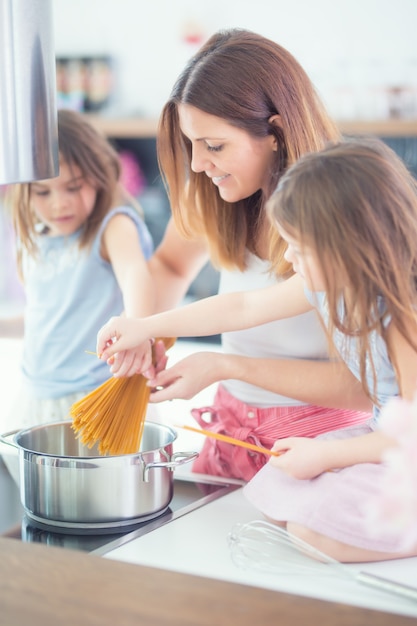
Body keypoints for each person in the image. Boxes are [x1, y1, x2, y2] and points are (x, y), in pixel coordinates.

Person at [96, 137, 417, 562]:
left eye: (299, 248)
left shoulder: (402, 317)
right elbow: (242, 306)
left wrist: (327, 453)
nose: (288, 256)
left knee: (312, 531)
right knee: (274, 492)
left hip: (402, 447)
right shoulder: (329, 282)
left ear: (347, 247)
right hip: (380, 441)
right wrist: (144, 326)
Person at [107, 28, 371, 481]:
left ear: (275, 131)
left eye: (214, 146)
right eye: (192, 143)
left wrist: (227, 365)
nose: (196, 165)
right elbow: (170, 265)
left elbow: (364, 387)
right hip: (231, 432)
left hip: (319, 446)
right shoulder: (211, 197)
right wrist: (145, 329)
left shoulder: (339, 216)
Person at [0, 108, 155, 434]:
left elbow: (135, 276)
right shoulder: (37, 240)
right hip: (35, 397)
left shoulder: (113, 227)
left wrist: (138, 328)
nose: (59, 204)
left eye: (74, 187)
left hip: (95, 397)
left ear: (99, 178)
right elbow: (47, 319)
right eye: (43, 192)